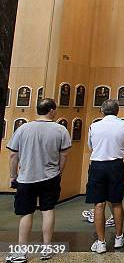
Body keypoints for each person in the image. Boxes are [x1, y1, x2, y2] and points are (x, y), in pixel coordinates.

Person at [5, 98, 71, 262]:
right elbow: (64, 155)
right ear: (51, 111)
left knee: (26, 213)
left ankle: (21, 251)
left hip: (26, 177)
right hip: (50, 176)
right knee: (47, 210)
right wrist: (59, 172)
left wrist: (13, 176)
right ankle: (47, 249)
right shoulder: (60, 129)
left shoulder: (23, 128)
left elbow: (13, 154)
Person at [86, 99, 124, 253]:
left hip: (97, 165)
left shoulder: (94, 126)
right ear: (117, 111)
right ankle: (119, 238)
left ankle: (101, 242)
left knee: (98, 204)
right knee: (117, 202)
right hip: (115, 165)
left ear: (102, 111)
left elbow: (90, 146)